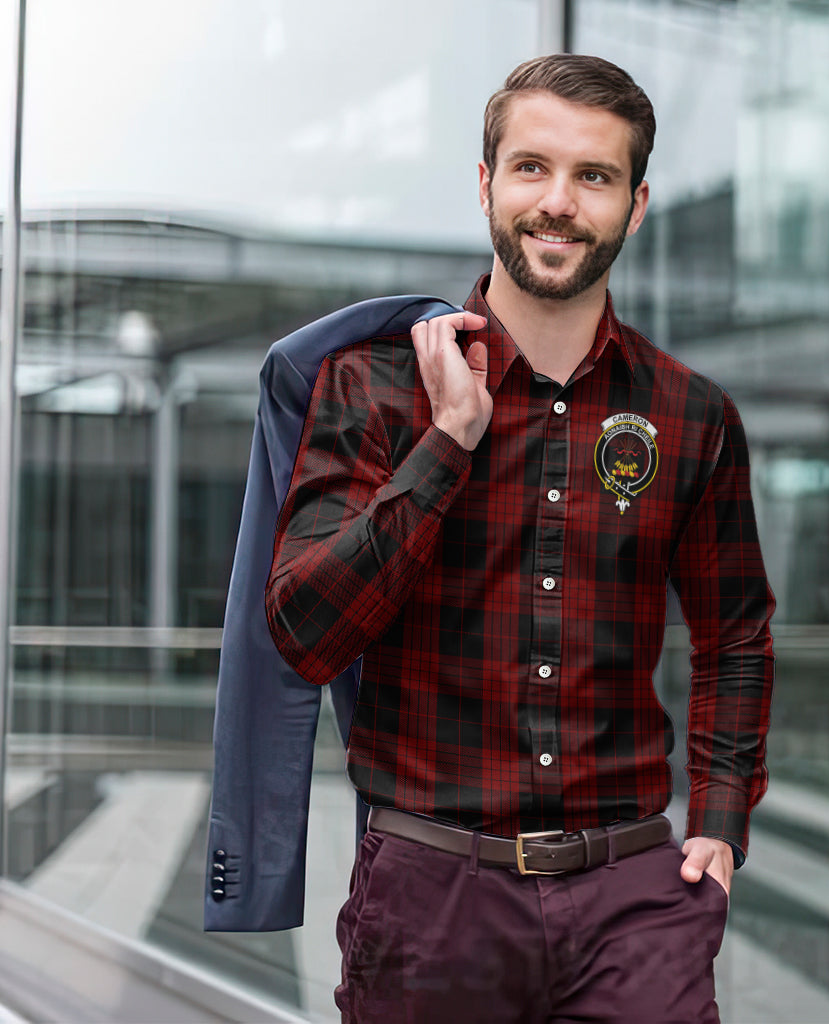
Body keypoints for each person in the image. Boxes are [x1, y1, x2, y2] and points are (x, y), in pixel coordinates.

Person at [265, 53, 774, 1024]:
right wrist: (448, 440)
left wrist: (717, 821)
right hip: (432, 899)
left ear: (636, 203)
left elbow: (736, 632)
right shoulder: (372, 389)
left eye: (595, 176)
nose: (559, 202)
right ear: (487, 182)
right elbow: (304, 632)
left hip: (634, 899)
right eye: (533, 167)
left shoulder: (691, 415)